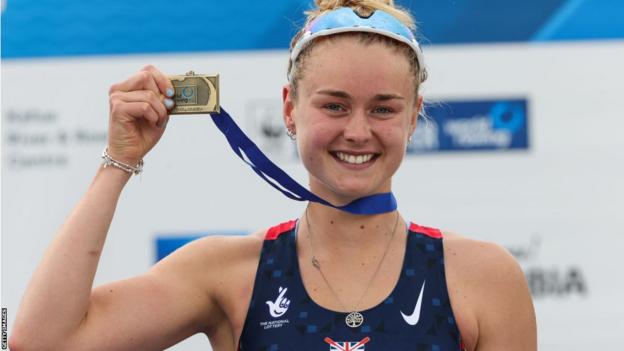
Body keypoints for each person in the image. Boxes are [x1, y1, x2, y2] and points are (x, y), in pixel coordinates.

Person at [9, 0, 536, 350]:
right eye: (334, 106)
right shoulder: (228, 272)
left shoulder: (481, 278)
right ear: (289, 108)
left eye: (382, 109)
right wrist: (118, 161)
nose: (357, 131)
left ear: (414, 113)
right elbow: (41, 342)